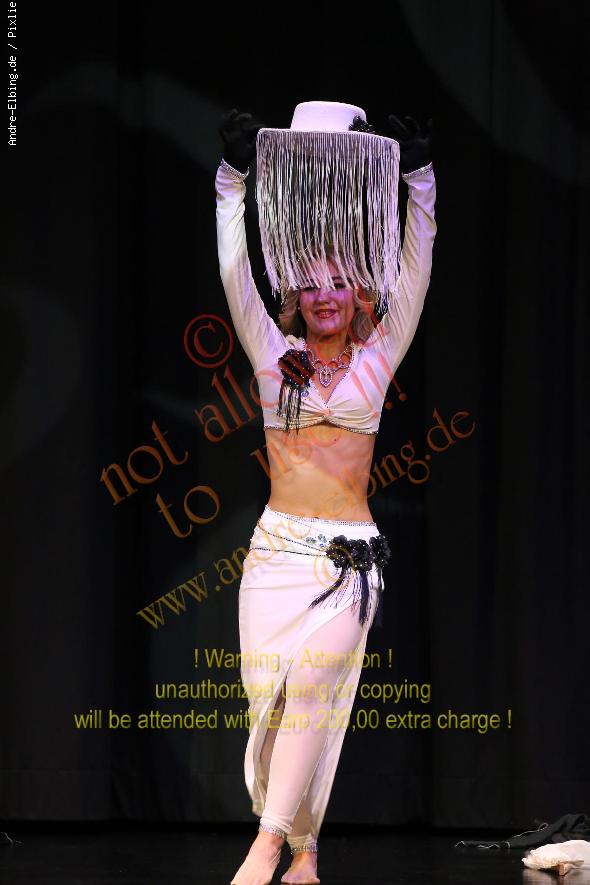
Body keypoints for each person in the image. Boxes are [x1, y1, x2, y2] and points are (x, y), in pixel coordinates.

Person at [215, 102, 437, 885]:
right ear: (295, 296)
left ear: (359, 290)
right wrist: (231, 178)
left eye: (340, 280)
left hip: (349, 557)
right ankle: (306, 854)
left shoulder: (379, 358)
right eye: (310, 283)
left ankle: (267, 845)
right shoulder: (271, 353)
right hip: (274, 553)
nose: (325, 292)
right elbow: (234, 269)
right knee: (278, 710)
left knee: (313, 684)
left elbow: (416, 268)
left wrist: (420, 180)